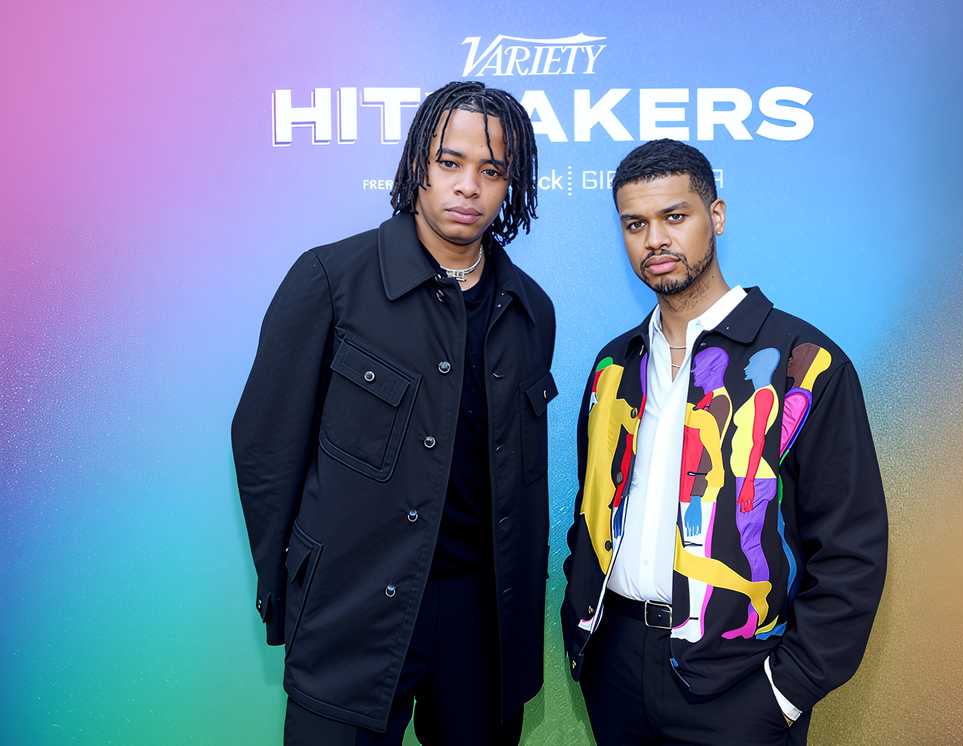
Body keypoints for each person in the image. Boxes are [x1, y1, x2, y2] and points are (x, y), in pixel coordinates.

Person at [232, 80, 557, 745]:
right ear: (417, 167)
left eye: (491, 171)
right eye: (451, 163)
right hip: (350, 613)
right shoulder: (330, 280)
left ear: (511, 187)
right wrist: (296, 590)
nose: (468, 186)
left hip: (481, 624)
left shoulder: (529, 309)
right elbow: (266, 450)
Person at [561, 139, 887, 745]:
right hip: (616, 670)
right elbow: (591, 513)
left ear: (717, 216)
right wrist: (584, 632)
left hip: (742, 685)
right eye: (635, 224)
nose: (654, 239)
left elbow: (851, 551)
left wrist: (785, 692)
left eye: (674, 217)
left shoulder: (803, 364)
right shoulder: (613, 366)